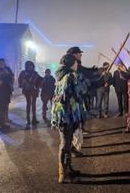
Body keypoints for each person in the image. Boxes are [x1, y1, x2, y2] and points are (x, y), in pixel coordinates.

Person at [51, 54, 82, 183]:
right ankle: (62, 173)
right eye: (76, 62)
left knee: (67, 144)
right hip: (67, 114)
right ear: (70, 63)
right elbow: (77, 93)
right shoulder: (70, 76)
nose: (77, 64)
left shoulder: (59, 75)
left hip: (61, 114)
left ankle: (67, 169)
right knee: (65, 144)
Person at [18, 61, 43, 125]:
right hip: (27, 90)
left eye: (31, 66)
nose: (30, 67)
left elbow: (40, 80)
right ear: (26, 66)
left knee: (33, 104)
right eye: (29, 66)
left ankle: (34, 118)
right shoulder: (23, 73)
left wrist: (39, 84)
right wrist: (22, 84)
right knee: (28, 104)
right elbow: (20, 80)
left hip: (34, 90)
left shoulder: (35, 73)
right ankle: (28, 119)